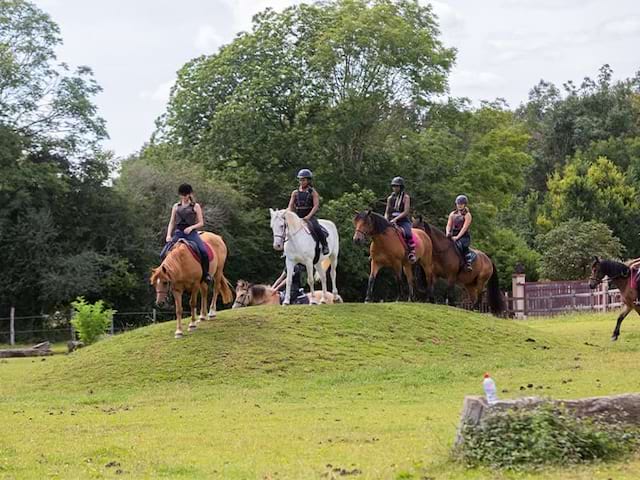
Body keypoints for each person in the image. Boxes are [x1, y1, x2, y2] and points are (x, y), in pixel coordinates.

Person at [163, 183, 211, 283]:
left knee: (203, 252)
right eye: (182, 195)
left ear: (189, 194)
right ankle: (166, 274)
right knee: (163, 253)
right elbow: (172, 222)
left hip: (191, 233)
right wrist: (168, 235)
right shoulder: (176, 206)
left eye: (186, 195)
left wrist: (191, 227)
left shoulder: (195, 206)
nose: (184, 197)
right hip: (179, 233)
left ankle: (206, 274)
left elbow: (201, 223)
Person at [287, 168, 329, 255]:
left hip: (309, 216)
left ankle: (325, 245)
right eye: (300, 180)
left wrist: (308, 216)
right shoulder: (295, 193)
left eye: (303, 180)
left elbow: (316, 206)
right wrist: (290, 216)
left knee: (316, 227)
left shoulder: (313, 192)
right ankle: (286, 250)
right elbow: (290, 206)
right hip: (298, 216)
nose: (301, 182)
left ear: (308, 180)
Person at [384, 176, 416, 263]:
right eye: (393, 186)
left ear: (401, 187)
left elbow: (406, 212)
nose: (395, 188)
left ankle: (411, 252)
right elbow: (387, 211)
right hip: (391, 219)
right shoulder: (390, 198)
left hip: (403, 220)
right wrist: (386, 219)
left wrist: (396, 219)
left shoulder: (406, 197)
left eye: (397, 186)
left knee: (408, 233)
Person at [446, 194, 473, 272]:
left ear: (464, 205)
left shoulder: (467, 215)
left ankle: (468, 263)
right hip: (453, 234)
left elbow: (464, 228)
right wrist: (447, 232)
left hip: (463, 235)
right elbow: (448, 224)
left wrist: (457, 237)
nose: (459, 206)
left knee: (463, 246)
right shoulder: (452, 214)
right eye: (458, 204)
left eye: (461, 204)